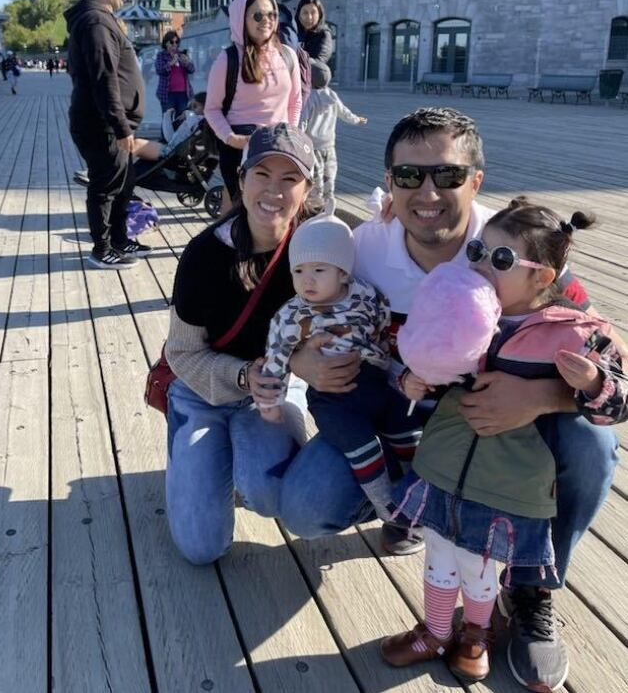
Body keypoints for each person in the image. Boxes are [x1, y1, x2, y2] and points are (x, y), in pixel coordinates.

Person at [271, 107, 619, 692]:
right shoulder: (365, 245)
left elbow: (602, 353)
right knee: (305, 507)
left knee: (594, 444)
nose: (426, 192)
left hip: (500, 433)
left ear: (476, 182)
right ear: (389, 183)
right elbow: (307, 304)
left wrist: (537, 395)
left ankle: (530, 589)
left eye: (447, 176)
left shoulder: (515, 244)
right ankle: (407, 514)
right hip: (397, 424)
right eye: (408, 177)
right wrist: (298, 358)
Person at [381, 197, 626, 683]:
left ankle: (513, 603)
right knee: (442, 558)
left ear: (543, 278)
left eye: (501, 260)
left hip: (514, 482)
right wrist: (411, 377)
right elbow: (420, 358)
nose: (479, 266)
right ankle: (435, 629)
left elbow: (621, 398)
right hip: (452, 468)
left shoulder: (571, 331)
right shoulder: (464, 309)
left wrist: (589, 385)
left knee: (478, 561)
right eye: (477, 250)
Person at [164, 124, 319, 565]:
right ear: (242, 180)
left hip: (269, 396)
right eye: (262, 175)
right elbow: (181, 353)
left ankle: (230, 460)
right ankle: (187, 451)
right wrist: (240, 375)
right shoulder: (204, 256)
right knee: (201, 549)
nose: (274, 190)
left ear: (307, 189)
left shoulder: (318, 250)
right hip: (200, 390)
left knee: (268, 493)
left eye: (290, 179)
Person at [258, 210, 423, 526]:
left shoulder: (365, 295)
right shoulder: (290, 315)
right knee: (359, 443)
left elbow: (381, 328)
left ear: (344, 273)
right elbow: (275, 357)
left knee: (406, 426)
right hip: (332, 399)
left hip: (375, 381)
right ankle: (384, 502)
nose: (307, 280)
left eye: (319, 269)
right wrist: (270, 402)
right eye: (299, 271)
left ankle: (414, 486)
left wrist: (393, 370)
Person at [65, 0, 148, 270]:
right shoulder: (96, 21)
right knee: (105, 186)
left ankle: (119, 239)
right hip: (102, 125)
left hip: (110, 124)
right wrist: (121, 127)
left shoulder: (101, 18)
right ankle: (102, 249)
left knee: (123, 182)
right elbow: (105, 79)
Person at [205, 0, 302, 214]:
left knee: (275, 213)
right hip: (240, 149)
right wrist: (230, 138)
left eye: (272, 15)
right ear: (242, 18)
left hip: (277, 146)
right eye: (257, 15)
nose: (266, 21)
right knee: (245, 215)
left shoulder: (287, 55)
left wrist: (290, 134)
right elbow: (212, 108)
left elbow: (295, 101)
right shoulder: (227, 59)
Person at [300, 61, 367, 203]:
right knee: (329, 173)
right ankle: (329, 198)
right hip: (329, 144)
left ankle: (316, 203)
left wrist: (297, 136)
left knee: (316, 175)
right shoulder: (332, 95)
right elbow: (345, 113)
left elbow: (303, 121)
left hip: (313, 146)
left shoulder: (309, 98)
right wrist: (357, 120)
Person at [155, 31, 195, 116]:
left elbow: (192, 70)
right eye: (172, 42)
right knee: (167, 121)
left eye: (176, 42)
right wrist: (171, 63)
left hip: (183, 94)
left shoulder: (181, 55)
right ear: (166, 43)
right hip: (167, 94)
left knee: (181, 120)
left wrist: (187, 63)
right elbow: (159, 70)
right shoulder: (161, 55)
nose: (174, 44)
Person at [295, 0, 333, 65]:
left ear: (320, 15)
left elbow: (319, 62)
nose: (309, 17)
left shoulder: (324, 35)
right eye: (305, 13)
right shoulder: (293, 33)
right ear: (299, 15)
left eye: (313, 13)